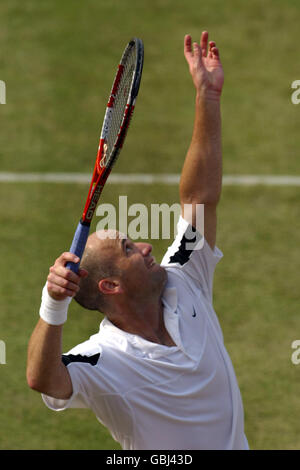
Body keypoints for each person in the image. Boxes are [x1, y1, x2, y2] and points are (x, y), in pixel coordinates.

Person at [27, 32, 249, 450]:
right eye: (129, 249)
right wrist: (52, 303)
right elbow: (44, 379)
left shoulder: (185, 279)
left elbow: (199, 198)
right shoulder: (104, 360)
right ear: (110, 286)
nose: (147, 247)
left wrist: (208, 96)